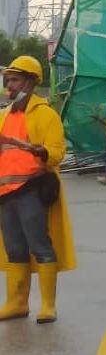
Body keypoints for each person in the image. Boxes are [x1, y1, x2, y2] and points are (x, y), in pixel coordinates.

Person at [0, 55, 76, 324]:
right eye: (8, 80)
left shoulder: (46, 114)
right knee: (14, 249)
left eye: (14, 79)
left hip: (31, 189)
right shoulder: (3, 116)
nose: (9, 85)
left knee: (40, 245)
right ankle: (17, 303)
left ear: (30, 82)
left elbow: (57, 152)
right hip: (5, 193)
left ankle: (47, 306)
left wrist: (41, 150)